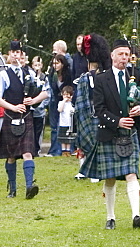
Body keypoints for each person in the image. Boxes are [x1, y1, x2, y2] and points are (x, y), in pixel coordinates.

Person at [83, 37, 140, 229]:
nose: (124, 58)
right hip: (110, 133)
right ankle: (110, 217)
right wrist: (117, 120)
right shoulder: (101, 79)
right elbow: (99, 109)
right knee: (110, 178)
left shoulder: (136, 75)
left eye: (127, 54)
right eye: (120, 54)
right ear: (112, 55)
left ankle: (136, 215)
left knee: (131, 174)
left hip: (130, 134)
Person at [0, 40, 47, 198]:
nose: (16, 55)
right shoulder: (3, 74)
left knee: (27, 152)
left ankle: (30, 186)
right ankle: (13, 189)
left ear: (22, 55)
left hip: (26, 117)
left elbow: (45, 92)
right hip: (11, 116)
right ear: (9, 55)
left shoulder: (29, 73)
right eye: (13, 52)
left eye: (18, 53)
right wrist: (13, 107)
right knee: (11, 156)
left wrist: (33, 101)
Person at [73, 34, 109, 180]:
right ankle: (84, 169)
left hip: (100, 112)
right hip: (87, 111)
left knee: (99, 142)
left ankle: (97, 170)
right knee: (85, 139)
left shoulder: (106, 76)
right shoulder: (84, 79)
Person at [47, 41, 71, 155]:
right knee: (54, 126)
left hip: (66, 101)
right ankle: (55, 150)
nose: (55, 65)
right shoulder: (53, 73)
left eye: (57, 63)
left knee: (66, 125)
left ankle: (66, 149)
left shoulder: (68, 71)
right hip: (55, 100)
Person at [57, 86, 75, 155]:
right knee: (63, 139)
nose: (65, 96)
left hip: (70, 124)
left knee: (68, 139)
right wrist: (64, 101)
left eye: (67, 95)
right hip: (63, 124)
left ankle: (68, 151)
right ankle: (63, 151)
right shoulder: (61, 103)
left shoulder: (72, 104)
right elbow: (60, 109)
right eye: (64, 95)